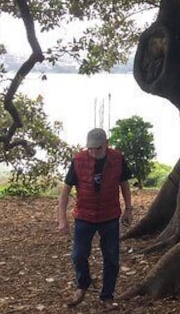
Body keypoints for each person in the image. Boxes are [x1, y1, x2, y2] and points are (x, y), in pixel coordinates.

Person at [57, 128, 133, 308]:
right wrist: (62, 219)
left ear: (107, 144)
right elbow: (65, 192)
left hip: (110, 215)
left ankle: (107, 296)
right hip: (84, 215)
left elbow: (125, 185)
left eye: (97, 148)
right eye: (90, 148)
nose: (93, 152)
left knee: (112, 258)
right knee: (78, 255)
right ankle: (83, 284)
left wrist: (129, 209)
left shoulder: (117, 158)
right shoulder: (78, 161)